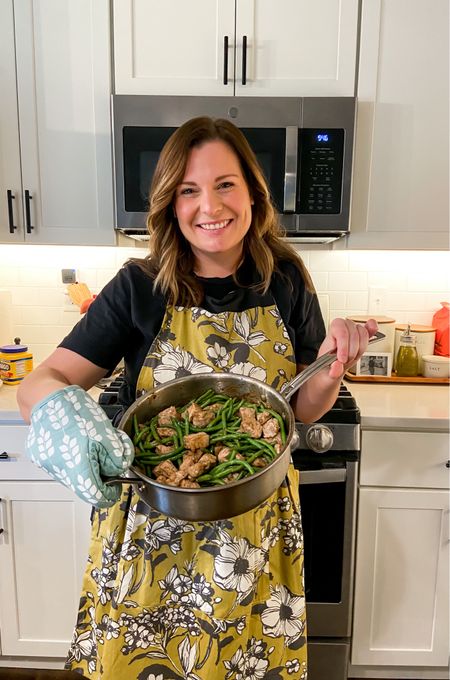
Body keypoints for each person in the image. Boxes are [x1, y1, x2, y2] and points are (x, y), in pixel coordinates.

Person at [18, 116, 377, 680]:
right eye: (189, 189)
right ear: (170, 202)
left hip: (256, 531)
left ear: (253, 194)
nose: (210, 205)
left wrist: (332, 370)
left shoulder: (285, 278)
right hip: (153, 525)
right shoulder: (140, 286)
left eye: (225, 184)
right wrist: (64, 411)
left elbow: (299, 408)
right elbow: (41, 382)